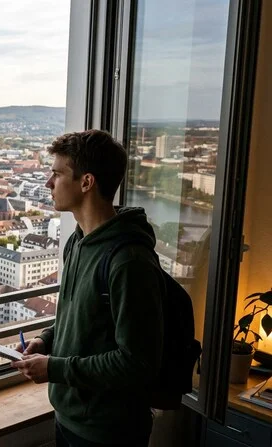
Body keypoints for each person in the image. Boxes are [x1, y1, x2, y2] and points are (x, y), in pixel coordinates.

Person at [12, 130, 164, 446]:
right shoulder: (78, 241)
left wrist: (54, 369)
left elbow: (137, 363)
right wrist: (45, 340)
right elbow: (78, 316)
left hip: (109, 430)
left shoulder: (129, 261)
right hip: (70, 417)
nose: (47, 183)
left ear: (86, 182)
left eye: (57, 173)